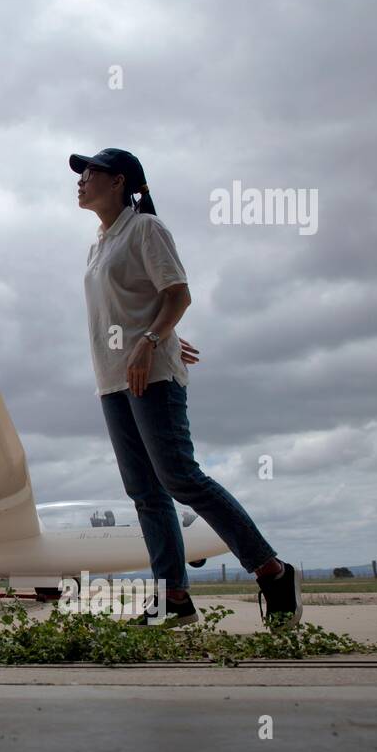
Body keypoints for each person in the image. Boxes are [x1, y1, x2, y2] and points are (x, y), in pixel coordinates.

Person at [71, 147, 302, 629]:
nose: (81, 180)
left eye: (90, 172)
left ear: (120, 183)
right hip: (112, 381)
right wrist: (163, 332)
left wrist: (154, 341)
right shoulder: (98, 244)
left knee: (179, 478)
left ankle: (272, 571)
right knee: (144, 494)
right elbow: (137, 303)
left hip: (150, 374)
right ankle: (173, 599)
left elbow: (178, 293)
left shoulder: (145, 229)